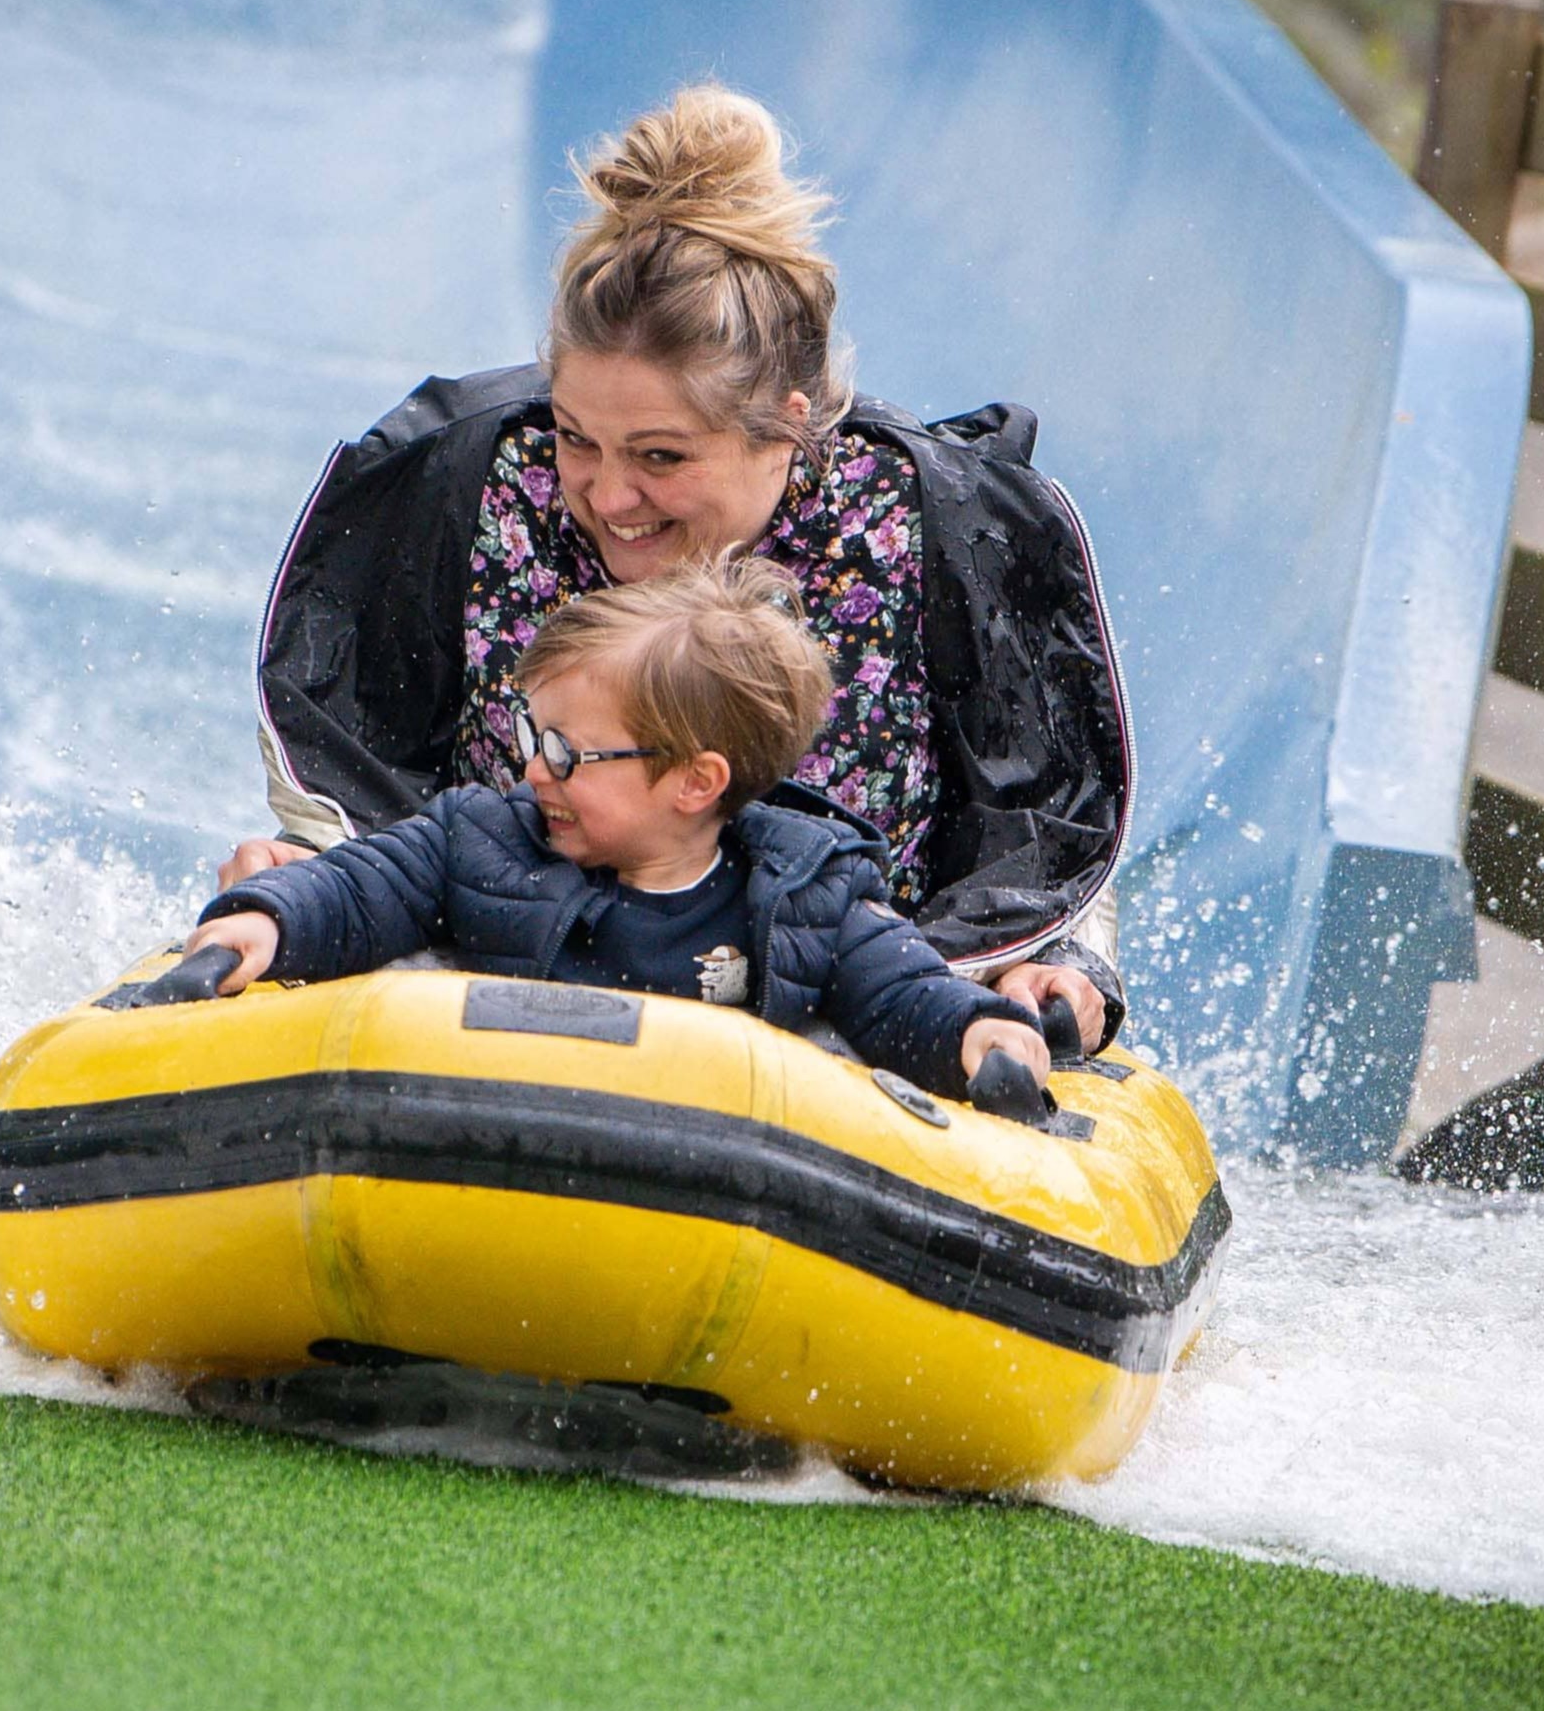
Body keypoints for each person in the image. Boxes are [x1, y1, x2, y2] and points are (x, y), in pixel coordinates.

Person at [225, 85, 1133, 1051]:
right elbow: (354, 764)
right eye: (578, 439)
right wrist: (309, 873)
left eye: (661, 457)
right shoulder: (473, 481)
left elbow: (1046, 820)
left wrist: (1064, 961)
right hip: (491, 1000)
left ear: (787, 423)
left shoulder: (936, 524)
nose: (608, 496)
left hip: (850, 1024)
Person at [190, 560, 1051, 1095]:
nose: (533, 769)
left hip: (702, 1175)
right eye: (530, 737)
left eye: (566, 751)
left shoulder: (804, 895)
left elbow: (900, 993)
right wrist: (269, 918)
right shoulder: (481, 838)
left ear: (692, 780)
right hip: (482, 1121)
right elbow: (358, 888)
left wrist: (976, 1032)